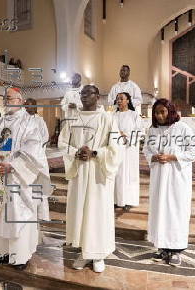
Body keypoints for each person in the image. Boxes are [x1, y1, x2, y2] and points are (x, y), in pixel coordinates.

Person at [0, 88, 52, 270]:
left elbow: (34, 151)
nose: (6, 101)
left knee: (17, 215)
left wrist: (12, 166)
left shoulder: (29, 123)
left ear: (19, 100)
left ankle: (19, 256)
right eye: (5, 98)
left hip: (17, 177)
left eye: (9, 98)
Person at [58, 85, 121, 273]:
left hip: (98, 173)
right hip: (79, 172)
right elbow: (62, 142)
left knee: (97, 212)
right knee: (81, 213)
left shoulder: (107, 118)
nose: (84, 96)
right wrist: (75, 152)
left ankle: (98, 254)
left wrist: (94, 152)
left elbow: (116, 147)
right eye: (82, 94)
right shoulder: (72, 118)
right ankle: (85, 252)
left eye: (88, 93)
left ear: (98, 96)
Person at [142, 98, 195, 266]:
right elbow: (146, 149)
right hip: (159, 177)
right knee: (160, 210)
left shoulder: (182, 128)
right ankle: (162, 247)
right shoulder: (152, 130)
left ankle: (176, 250)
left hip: (176, 178)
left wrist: (172, 156)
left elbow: (194, 151)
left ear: (170, 111)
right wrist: (154, 156)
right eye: (156, 113)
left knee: (175, 211)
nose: (159, 116)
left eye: (162, 112)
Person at [113, 92, 145, 211]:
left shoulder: (134, 115)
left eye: (121, 98)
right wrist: (116, 135)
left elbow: (140, 131)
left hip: (129, 149)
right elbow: (108, 130)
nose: (119, 101)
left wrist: (126, 135)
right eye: (117, 99)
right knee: (118, 173)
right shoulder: (113, 115)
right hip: (116, 148)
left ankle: (129, 200)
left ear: (128, 101)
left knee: (129, 174)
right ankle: (117, 200)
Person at [24, 98, 50, 222]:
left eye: (29, 105)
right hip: (25, 158)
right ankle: (29, 212)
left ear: (34, 107)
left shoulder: (40, 121)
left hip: (38, 157)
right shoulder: (21, 120)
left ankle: (42, 214)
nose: (27, 107)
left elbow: (45, 137)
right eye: (25, 105)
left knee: (40, 186)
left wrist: (34, 148)